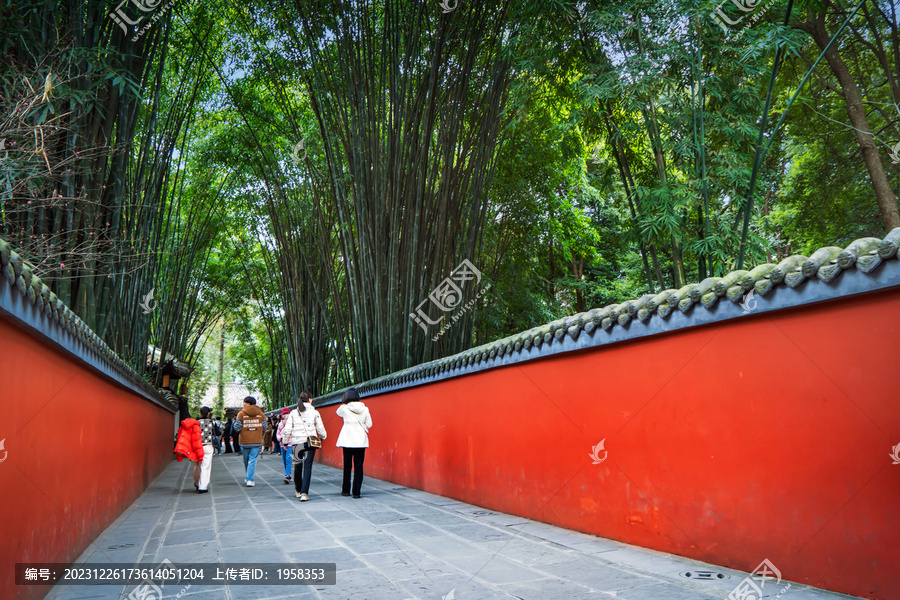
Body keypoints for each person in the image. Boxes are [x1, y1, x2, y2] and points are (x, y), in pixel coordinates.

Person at [282, 392, 327, 502]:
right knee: (307, 467)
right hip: (310, 443)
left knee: (297, 466)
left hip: (297, 443)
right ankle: (304, 493)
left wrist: (285, 441)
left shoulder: (293, 413)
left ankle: (298, 490)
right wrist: (323, 437)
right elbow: (320, 428)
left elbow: (287, 429)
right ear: (310, 400)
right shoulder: (315, 412)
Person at [335, 388, 371, 499]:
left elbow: (338, 412)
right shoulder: (365, 409)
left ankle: (345, 490)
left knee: (347, 466)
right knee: (359, 466)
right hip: (360, 441)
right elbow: (369, 423)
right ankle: (356, 492)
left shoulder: (344, 408)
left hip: (347, 440)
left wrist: (344, 403)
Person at [232, 396, 267, 487]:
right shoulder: (261, 414)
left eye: (244, 402)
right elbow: (265, 427)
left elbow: (237, 427)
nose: (243, 404)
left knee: (246, 460)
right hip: (256, 440)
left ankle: (249, 478)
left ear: (249, 403)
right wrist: (258, 433)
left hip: (244, 440)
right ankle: (249, 478)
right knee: (252, 460)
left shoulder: (241, 414)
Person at [194, 407, 215, 493]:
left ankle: (196, 482)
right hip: (208, 446)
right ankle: (203, 487)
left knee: (197, 465)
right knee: (206, 466)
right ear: (208, 413)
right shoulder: (211, 422)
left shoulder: (196, 423)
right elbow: (216, 432)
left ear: (200, 412)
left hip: (197, 446)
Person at [276, 408, 292, 484]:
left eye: (287, 414)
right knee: (284, 460)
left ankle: (287, 475)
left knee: (288, 459)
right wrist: (280, 438)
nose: (286, 416)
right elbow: (277, 434)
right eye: (284, 414)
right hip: (282, 444)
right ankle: (288, 473)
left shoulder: (292, 423)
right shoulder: (280, 424)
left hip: (290, 444)